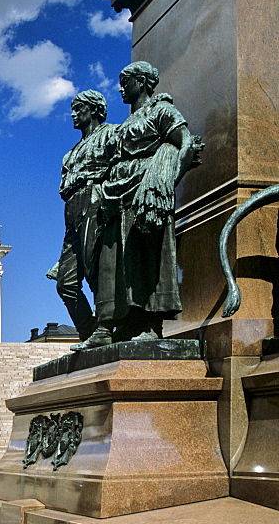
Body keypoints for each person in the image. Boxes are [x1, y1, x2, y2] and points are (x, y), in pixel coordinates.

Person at [73, 62, 198, 349]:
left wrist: (165, 183)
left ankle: (151, 324)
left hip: (145, 193)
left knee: (147, 257)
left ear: (141, 82)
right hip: (118, 196)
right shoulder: (126, 123)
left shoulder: (161, 110)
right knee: (114, 263)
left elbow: (186, 143)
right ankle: (109, 325)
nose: (120, 88)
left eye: (125, 81)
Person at [53, 90, 116, 342]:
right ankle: (89, 331)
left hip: (96, 200)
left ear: (95, 110)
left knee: (96, 269)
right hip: (72, 208)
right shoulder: (70, 153)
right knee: (65, 283)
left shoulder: (111, 134)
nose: (73, 114)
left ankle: (104, 328)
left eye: (79, 108)